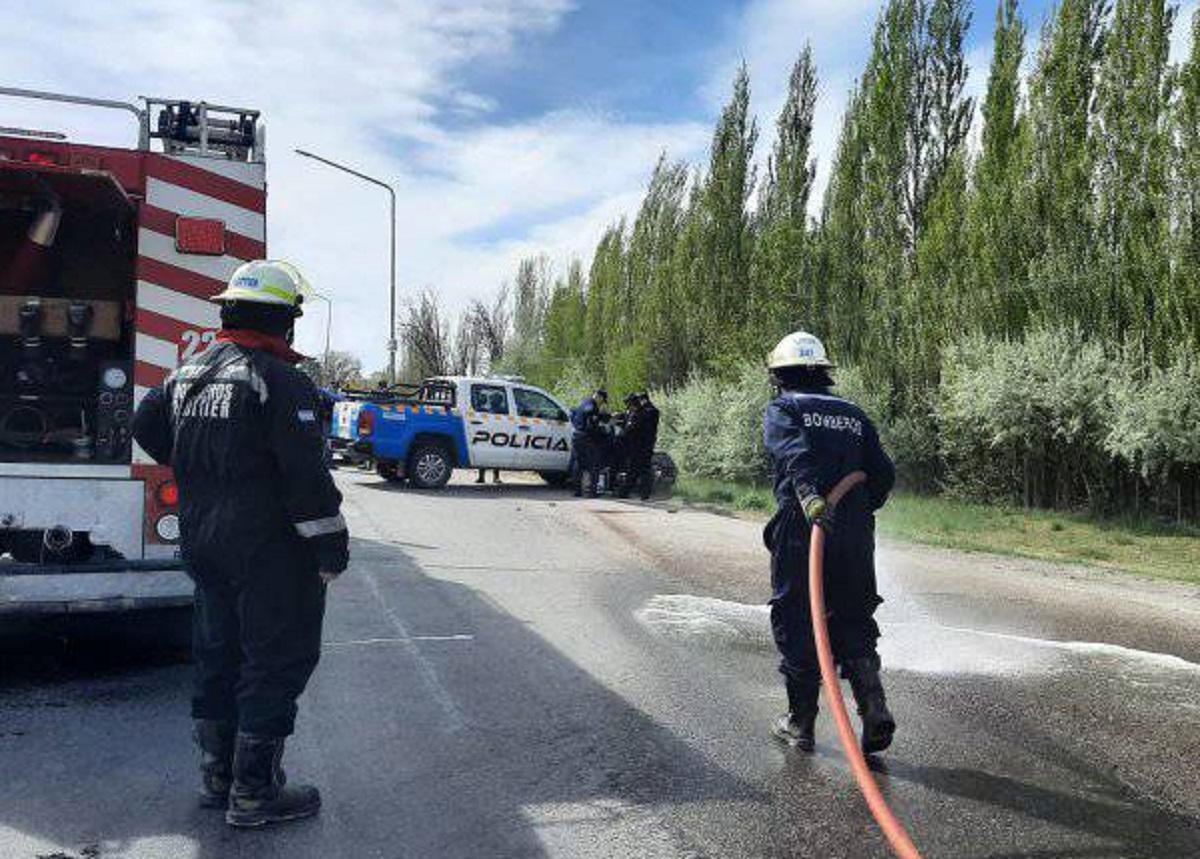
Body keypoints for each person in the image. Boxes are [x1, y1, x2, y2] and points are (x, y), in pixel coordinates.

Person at [132, 260, 349, 828]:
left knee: (218, 654)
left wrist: (199, 468)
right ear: (285, 322)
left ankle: (219, 777)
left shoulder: (187, 373)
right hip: (269, 552)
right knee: (274, 661)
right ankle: (254, 794)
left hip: (205, 543)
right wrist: (331, 549)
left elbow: (146, 425)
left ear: (227, 311)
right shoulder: (279, 380)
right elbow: (306, 479)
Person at [761, 331, 896, 755]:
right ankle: (874, 708)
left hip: (805, 528)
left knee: (797, 614)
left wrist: (811, 498)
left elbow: (793, 454)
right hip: (854, 531)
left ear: (780, 376)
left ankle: (800, 722)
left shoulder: (784, 408)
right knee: (854, 616)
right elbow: (883, 475)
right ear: (823, 374)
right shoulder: (855, 415)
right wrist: (856, 510)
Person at [570, 388, 608, 497]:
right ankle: (593, 492)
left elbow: (575, 416)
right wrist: (602, 432)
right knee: (594, 464)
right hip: (586, 438)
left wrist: (603, 417)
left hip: (576, 436)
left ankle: (577, 491)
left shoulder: (583, 403)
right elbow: (591, 426)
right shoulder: (592, 407)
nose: (601, 404)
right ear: (599, 397)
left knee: (579, 464)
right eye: (602, 401)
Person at [620, 392, 659, 500]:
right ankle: (643, 494)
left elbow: (629, 430)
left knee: (635, 470)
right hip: (645, 446)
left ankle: (626, 492)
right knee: (642, 470)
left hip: (638, 447)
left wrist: (624, 430)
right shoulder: (646, 412)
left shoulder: (641, 414)